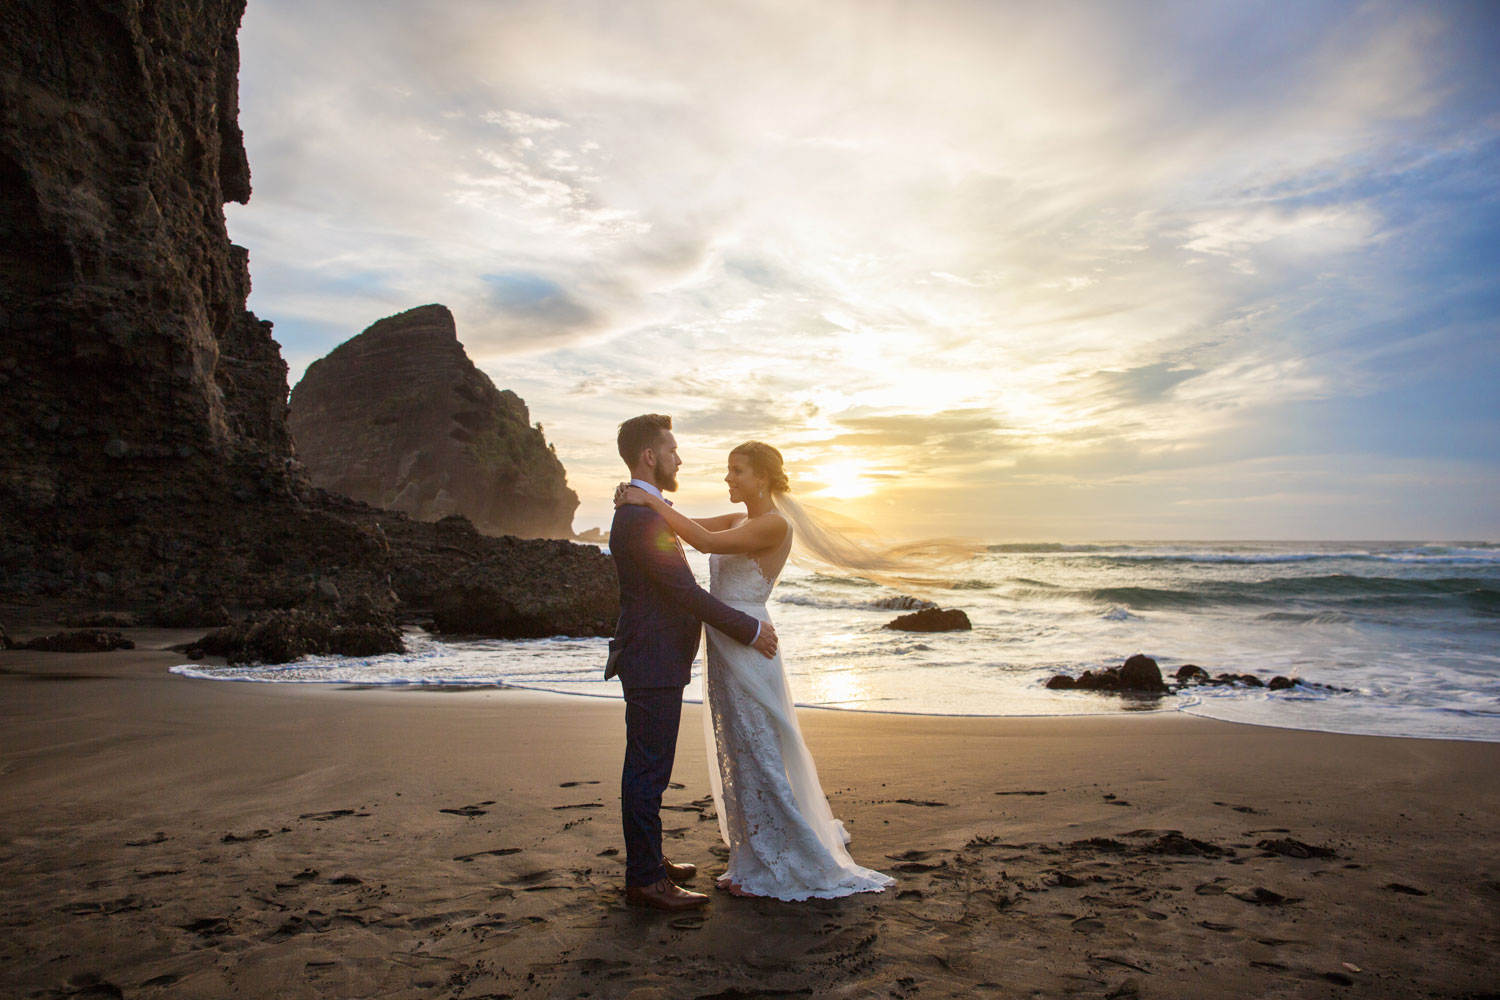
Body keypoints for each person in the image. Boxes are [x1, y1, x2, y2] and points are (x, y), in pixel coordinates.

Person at [615, 440, 895, 901]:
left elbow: (702, 542)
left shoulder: (773, 525)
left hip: (748, 642)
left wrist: (646, 498)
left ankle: (780, 853)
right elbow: (685, 530)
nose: (728, 478)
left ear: (762, 479)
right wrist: (651, 505)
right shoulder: (739, 520)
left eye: (736, 471)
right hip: (726, 643)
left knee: (759, 746)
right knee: (739, 748)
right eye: (728, 470)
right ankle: (752, 854)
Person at [607, 414, 779, 912]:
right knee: (647, 770)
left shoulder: (646, 510)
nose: (679, 458)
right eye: (673, 450)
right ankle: (645, 880)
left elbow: (707, 534)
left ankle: (650, 861)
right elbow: (683, 592)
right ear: (649, 457)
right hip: (651, 658)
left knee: (649, 767)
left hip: (653, 657)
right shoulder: (640, 516)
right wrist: (748, 629)